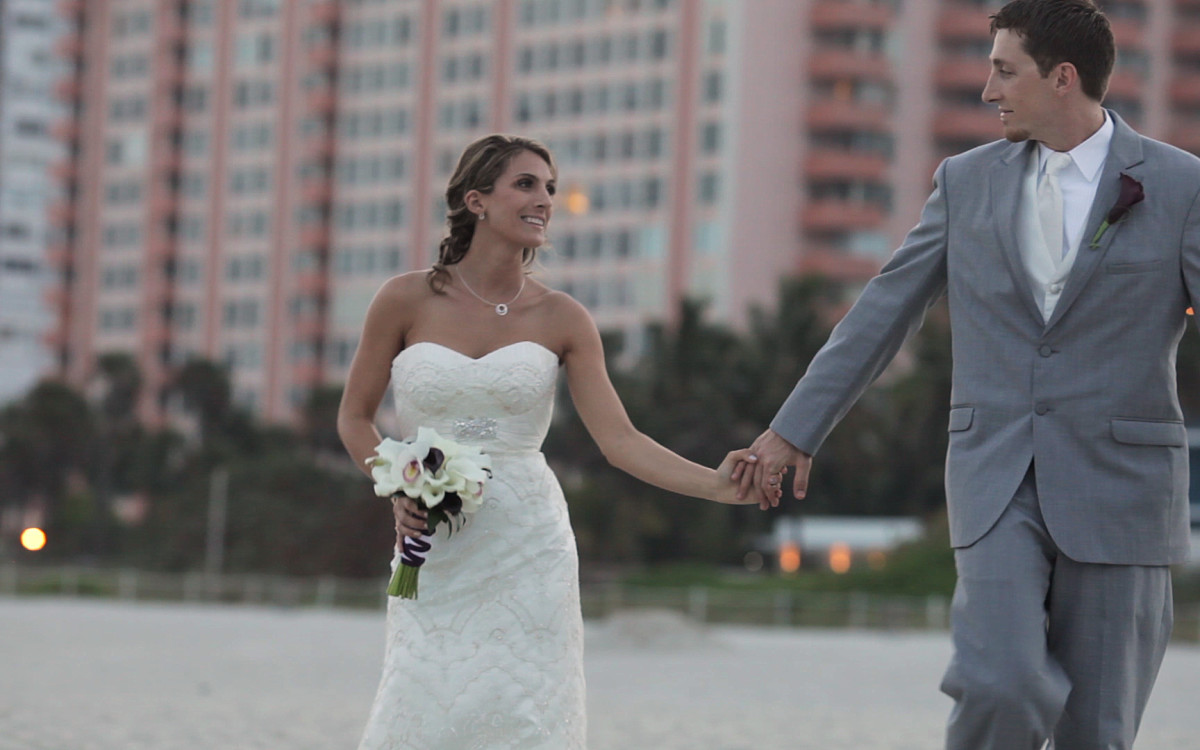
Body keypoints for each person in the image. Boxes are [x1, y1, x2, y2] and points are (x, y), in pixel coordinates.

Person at [735, 1, 1194, 747]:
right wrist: (794, 431)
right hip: (995, 478)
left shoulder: (1179, 186)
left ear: (1063, 78)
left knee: (1098, 732)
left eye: (1004, 70)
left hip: (1125, 490)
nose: (987, 90)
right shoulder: (965, 181)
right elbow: (883, 311)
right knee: (999, 683)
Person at [337, 133, 764, 750]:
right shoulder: (402, 299)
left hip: (529, 544)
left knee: (520, 706)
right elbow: (355, 418)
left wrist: (720, 487)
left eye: (551, 189)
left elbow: (620, 440)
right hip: (435, 543)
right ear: (477, 201)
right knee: (422, 691)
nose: (545, 200)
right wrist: (396, 483)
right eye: (527, 185)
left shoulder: (564, 317)